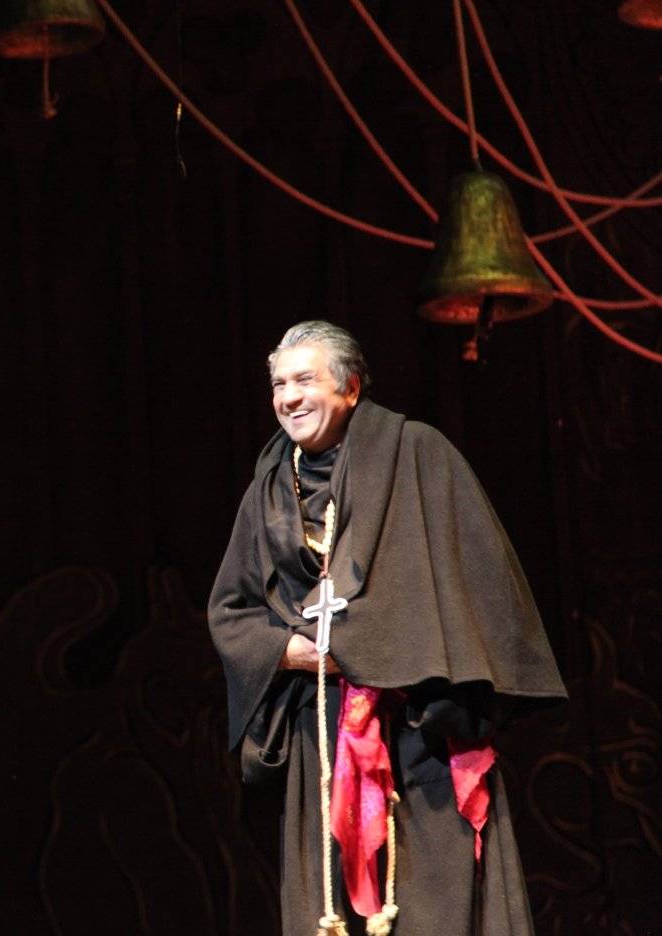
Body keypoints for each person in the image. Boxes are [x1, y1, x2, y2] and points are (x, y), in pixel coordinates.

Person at [207, 321, 565, 936]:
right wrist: (293, 651)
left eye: (304, 380)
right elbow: (231, 611)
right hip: (323, 735)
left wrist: (372, 648)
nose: (288, 398)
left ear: (350, 387)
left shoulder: (417, 454)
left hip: (421, 729)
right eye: (278, 385)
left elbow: (477, 584)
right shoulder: (269, 489)